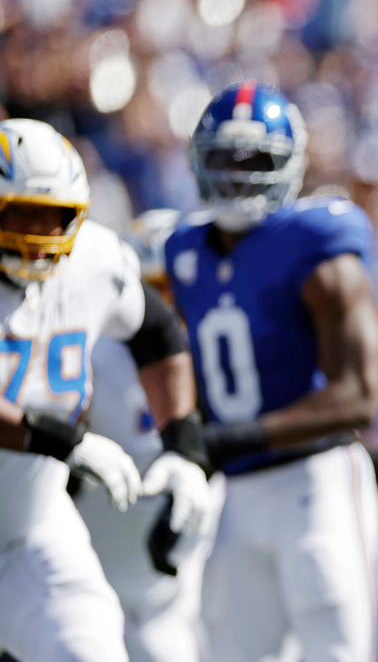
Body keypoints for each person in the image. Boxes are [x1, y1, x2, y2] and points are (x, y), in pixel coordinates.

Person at [161, 81, 378, 662]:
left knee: (336, 651)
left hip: (316, 482)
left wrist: (224, 440)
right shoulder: (182, 250)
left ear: (291, 165)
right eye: (222, 160)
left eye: (255, 161)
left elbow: (359, 396)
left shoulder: (316, 242)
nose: (237, 177)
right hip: (232, 490)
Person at [0, 118, 209, 661]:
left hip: (28, 525)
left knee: (90, 648)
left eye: (54, 217)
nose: (38, 235)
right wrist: (62, 440)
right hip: (37, 487)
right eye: (21, 213)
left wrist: (183, 444)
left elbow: (156, 331)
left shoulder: (94, 259)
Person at [69, 207, 215, 662]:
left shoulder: (217, 346)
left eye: (176, 291)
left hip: (179, 580)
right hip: (93, 562)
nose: (167, 309)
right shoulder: (91, 351)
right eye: (154, 291)